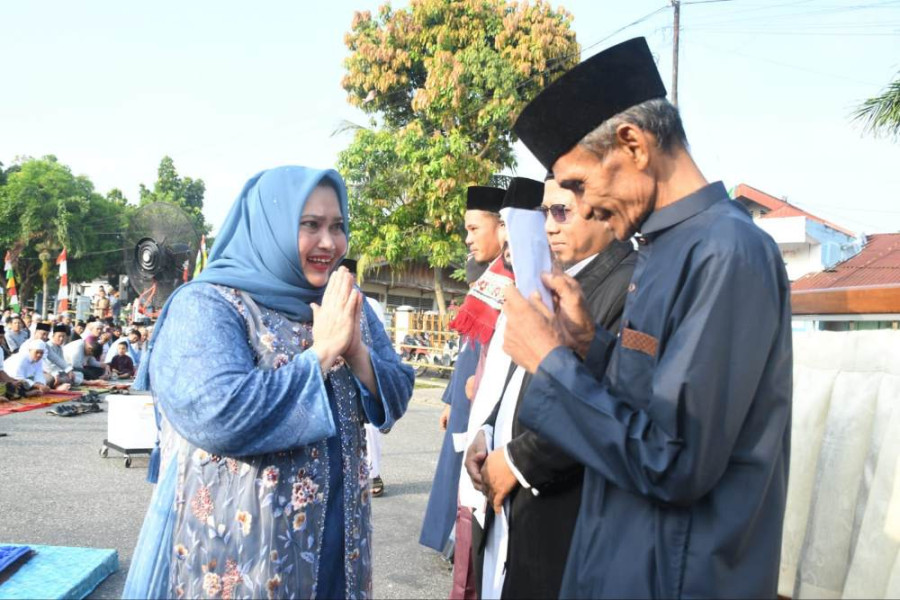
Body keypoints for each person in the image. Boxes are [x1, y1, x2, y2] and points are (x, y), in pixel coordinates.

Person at [499, 37, 792, 598]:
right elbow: (655, 397)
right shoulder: (663, 247)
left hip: (677, 575)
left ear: (632, 144)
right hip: (624, 559)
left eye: (580, 185)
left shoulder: (728, 252)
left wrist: (551, 362)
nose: (581, 210)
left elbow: (674, 459)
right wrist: (592, 347)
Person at [123, 166, 415, 600]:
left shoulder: (340, 302)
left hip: (341, 544)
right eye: (310, 225)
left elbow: (398, 386)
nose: (329, 243)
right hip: (240, 553)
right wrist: (322, 354)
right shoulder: (207, 304)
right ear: (269, 226)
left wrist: (356, 353)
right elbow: (220, 414)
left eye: (338, 227)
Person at [468, 174, 636, 599]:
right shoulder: (552, 276)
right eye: (545, 213)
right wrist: (487, 432)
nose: (549, 226)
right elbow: (518, 374)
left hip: (557, 504)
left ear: (602, 208)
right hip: (509, 498)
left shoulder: (629, 285)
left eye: (561, 211)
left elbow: (610, 400)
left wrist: (517, 460)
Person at [420, 185, 505, 560]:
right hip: (468, 393)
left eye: (474, 229)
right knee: (456, 471)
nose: (467, 238)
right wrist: (451, 397)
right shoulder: (489, 277)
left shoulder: (512, 279)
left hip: (489, 401)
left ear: (501, 226)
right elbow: (468, 348)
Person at [44, 324, 79, 390]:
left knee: (76, 374)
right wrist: (56, 373)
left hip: (58, 372)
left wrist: (69, 370)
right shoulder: (49, 345)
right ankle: (57, 387)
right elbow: (47, 365)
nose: (61, 339)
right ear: (53, 336)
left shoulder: (59, 347)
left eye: (63, 336)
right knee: (51, 379)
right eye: (59, 336)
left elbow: (61, 361)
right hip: (49, 372)